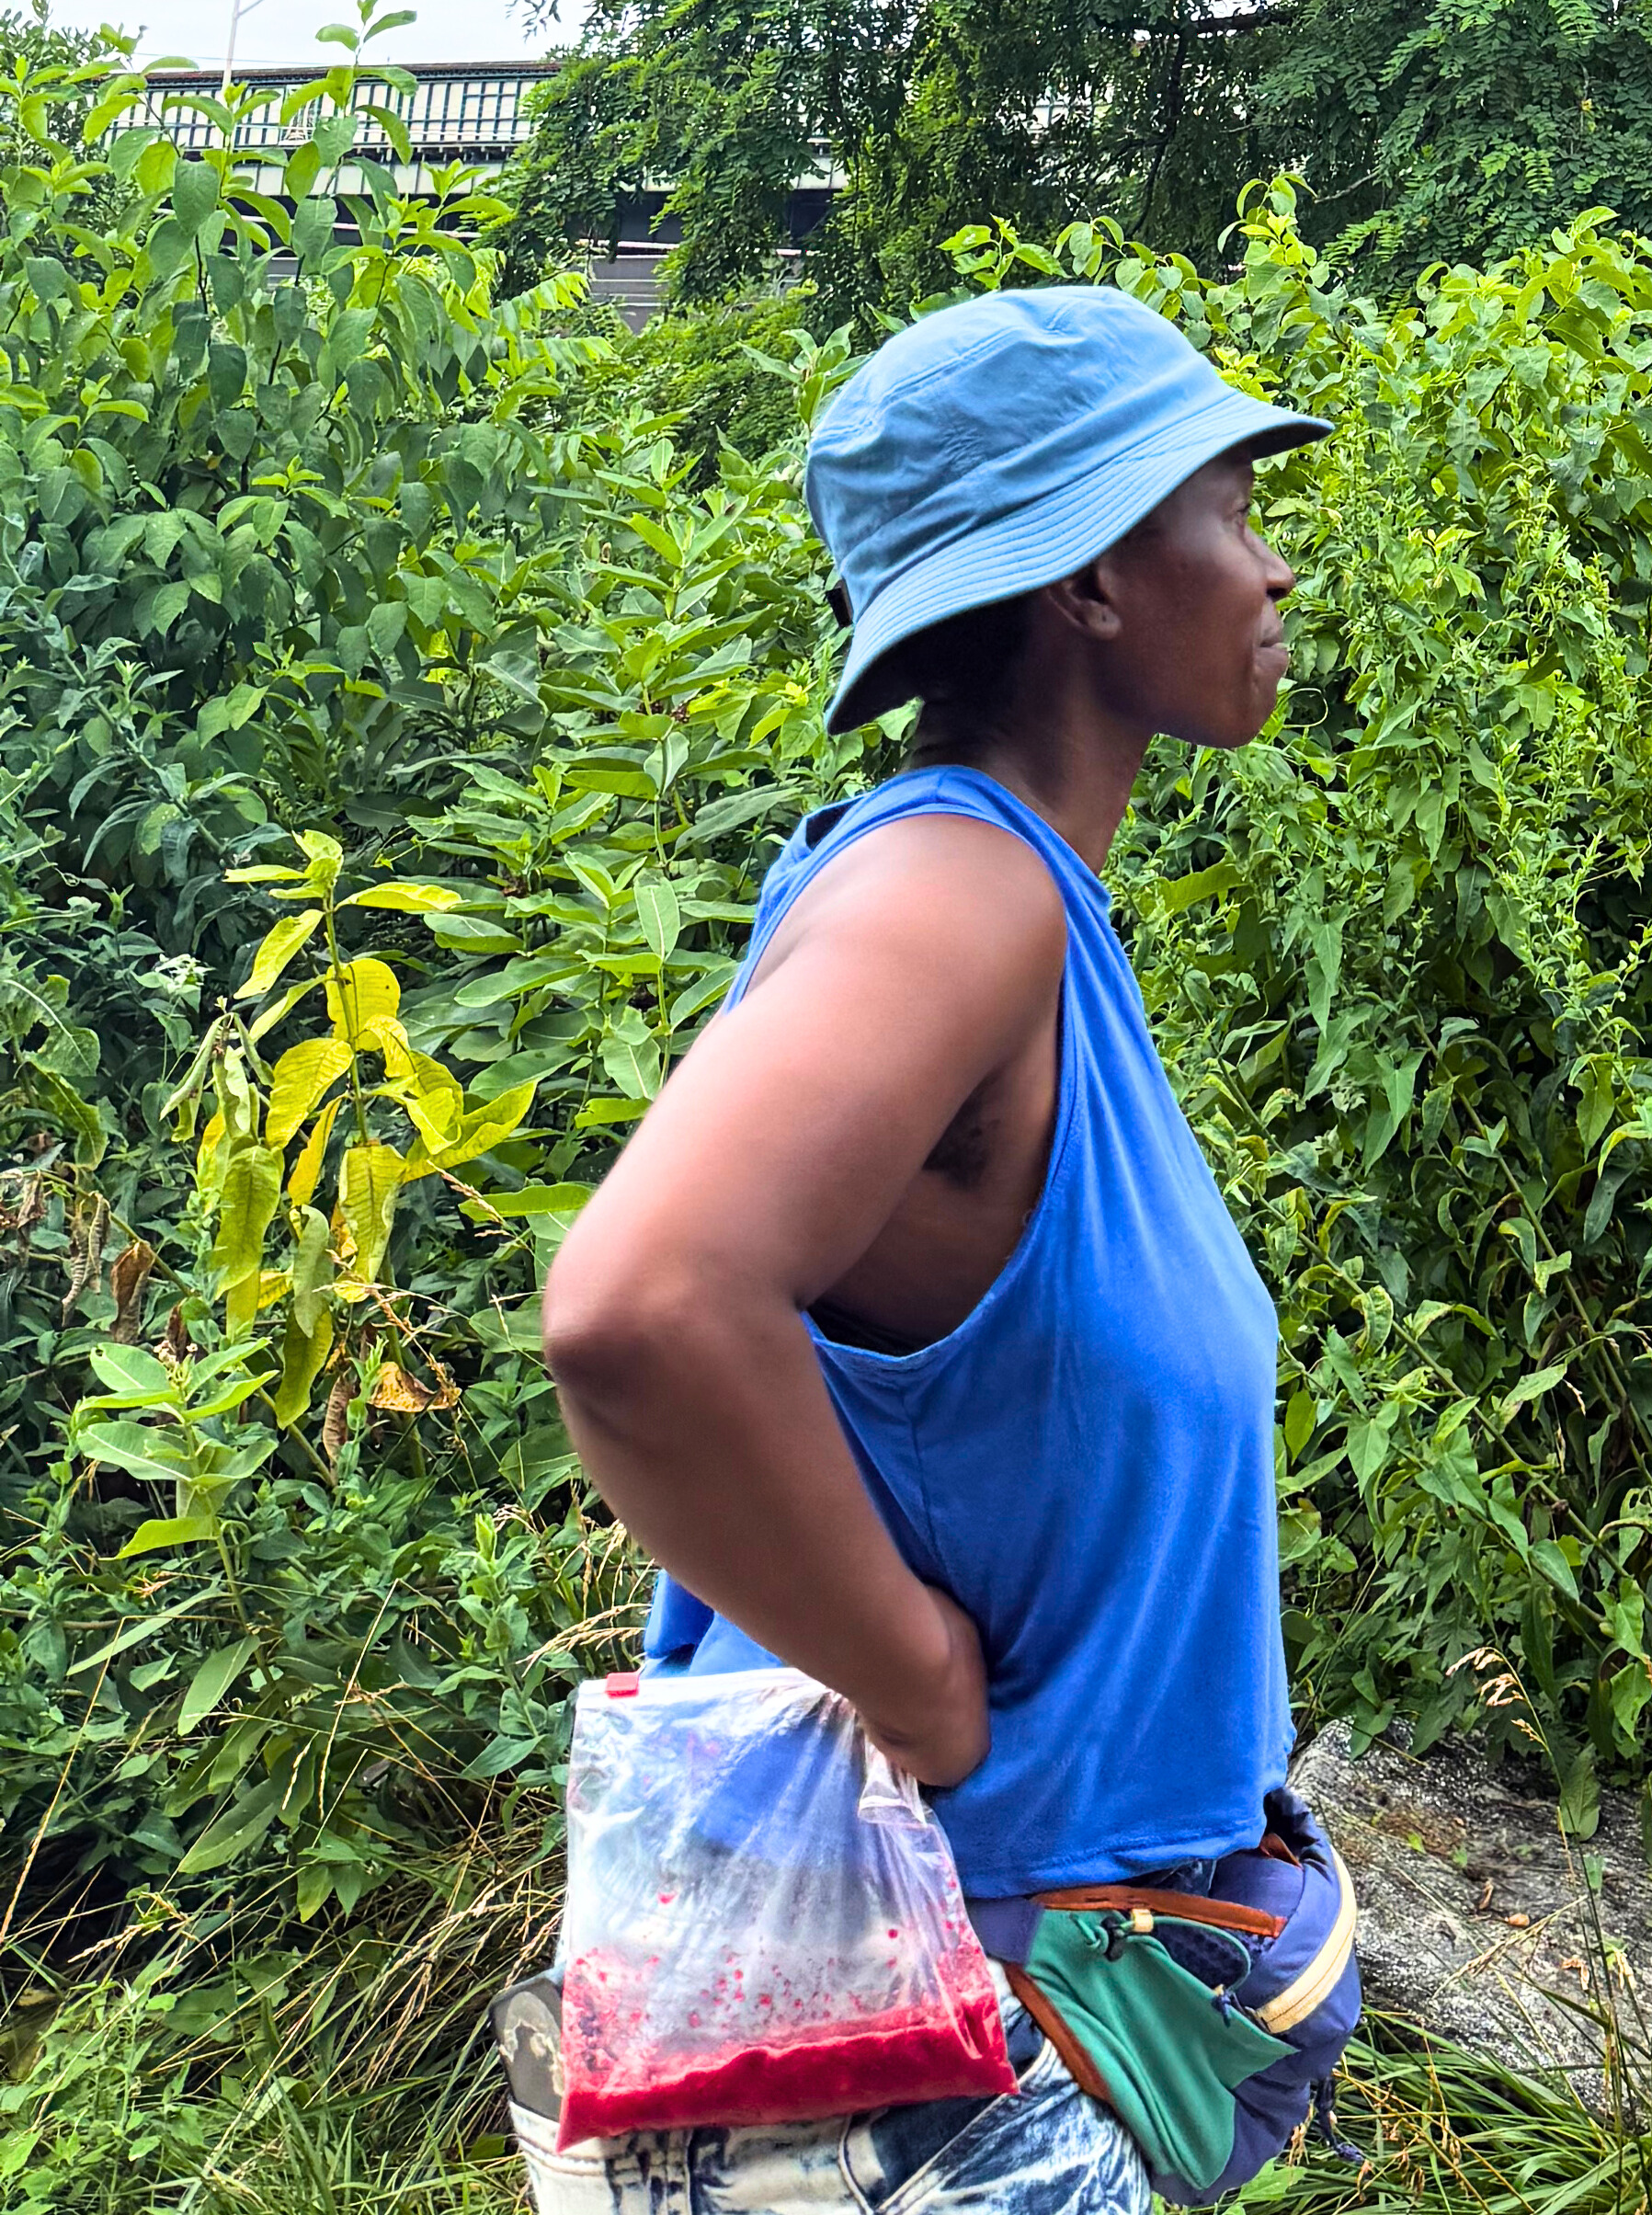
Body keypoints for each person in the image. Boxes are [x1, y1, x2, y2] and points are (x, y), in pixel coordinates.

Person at [528, 284, 1327, 2211]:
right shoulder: (958, 892)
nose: (1277, 557)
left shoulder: (1014, 903)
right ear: (1093, 580)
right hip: (935, 2053)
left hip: (1035, 2018)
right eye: (1228, 501)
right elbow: (637, 1308)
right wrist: (915, 1683)